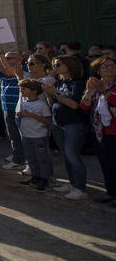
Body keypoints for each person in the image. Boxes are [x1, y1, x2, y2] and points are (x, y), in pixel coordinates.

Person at [43, 56, 89, 200]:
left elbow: (75, 104)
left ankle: (80, 188)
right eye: (54, 64)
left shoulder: (79, 83)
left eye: (59, 64)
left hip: (74, 122)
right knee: (66, 155)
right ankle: (72, 183)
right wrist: (48, 93)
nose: (55, 67)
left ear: (69, 65)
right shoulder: (59, 82)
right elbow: (53, 103)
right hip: (58, 122)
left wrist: (55, 94)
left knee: (72, 155)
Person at [82, 56, 116, 205]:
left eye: (112, 66)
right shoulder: (95, 85)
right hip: (99, 131)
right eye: (105, 66)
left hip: (114, 131)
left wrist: (104, 92)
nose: (110, 69)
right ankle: (110, 193)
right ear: (98, 70)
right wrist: (89, 92)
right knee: (105, 162)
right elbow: (84, 106)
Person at [16, 79, 54, 192]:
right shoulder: (24, 103)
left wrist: (31, 115)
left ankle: (44, 180)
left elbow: (48, 120)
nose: (21, 91)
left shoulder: (41, 105)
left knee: (42, 159)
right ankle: (35, 177)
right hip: (26, 135)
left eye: (24, 89)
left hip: (38, 135)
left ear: (34, 91)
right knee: (30, 157)